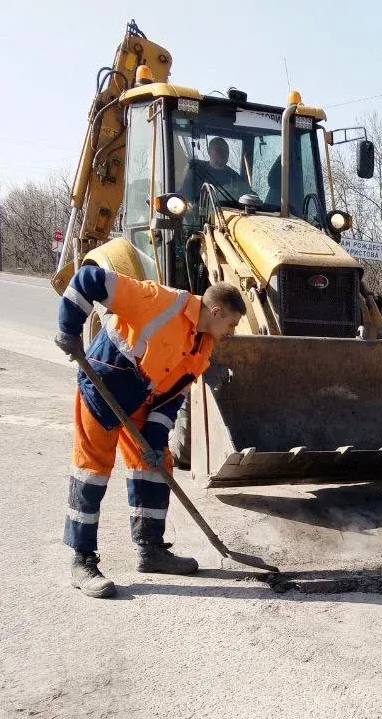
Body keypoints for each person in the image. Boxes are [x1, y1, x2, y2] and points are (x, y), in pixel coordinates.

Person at [54, 266, 246, 598]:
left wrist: (155, 441)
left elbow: (172, 398)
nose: (232, 331)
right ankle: (82, 560)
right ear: (215, 312)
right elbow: (88, 279)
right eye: (231, 324)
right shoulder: (158, 301)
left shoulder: (204, 346)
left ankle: (150, 550)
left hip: (142, 398)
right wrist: (69, 329)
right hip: (103, 387)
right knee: (92, 473)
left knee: (156, 467)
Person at [179, 136, 251, 202]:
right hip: (196, 214)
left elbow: (250, 197)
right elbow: (183, 195)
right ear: (209, 152)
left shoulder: (235, 178)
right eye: (218, 150)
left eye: (225, 150)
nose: (222, 153)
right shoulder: (196, 169)